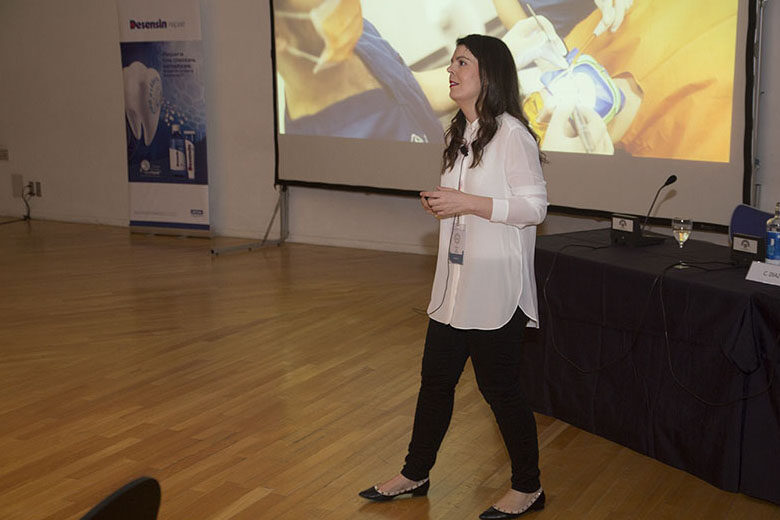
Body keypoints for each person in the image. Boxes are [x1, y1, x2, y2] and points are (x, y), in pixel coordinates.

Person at [358, 34, 549, 520]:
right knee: (435, 383)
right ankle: (415, 473)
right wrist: (445, 205)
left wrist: (467, 203)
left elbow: (535, 208)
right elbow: (465, 204)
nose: (450, 69)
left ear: (489, 73)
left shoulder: (513, 135)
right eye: (452, 62)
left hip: (495, 290)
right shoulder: (457, 133)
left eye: (462, 62)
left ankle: (529, 487)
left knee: (500, 391)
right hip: (454, 288)